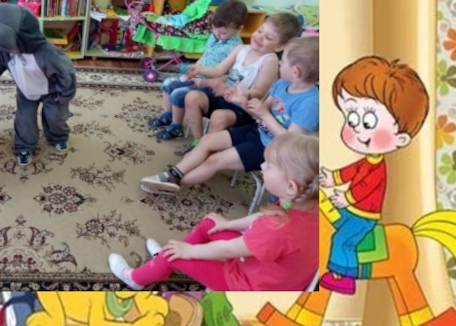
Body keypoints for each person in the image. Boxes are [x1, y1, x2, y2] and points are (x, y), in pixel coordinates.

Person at [109, 133, 319, 291]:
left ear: (291, 186)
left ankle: (135, 278)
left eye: (270, 166)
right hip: (268, 270)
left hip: (248, 285)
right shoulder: (305, 204)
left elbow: (228, 250)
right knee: (211, 224)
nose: (262, 166)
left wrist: (189, 252)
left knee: (172, 254)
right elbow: (262, 217)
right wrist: (227, 225)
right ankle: (163, 261)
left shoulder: (277, 230)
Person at [140, 36, 319, 194]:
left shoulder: (310, 103)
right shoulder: (282, 84)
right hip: (256, 131)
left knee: (214, 160)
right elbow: (259, 113)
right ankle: (172, 175)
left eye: (283, 62)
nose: (280, 64)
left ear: (296, 71)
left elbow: (291, 142)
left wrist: (265, 115)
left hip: (273, 149)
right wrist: (242, 101)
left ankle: (172, 184)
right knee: (207, 141)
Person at [319, 56, 428, 295]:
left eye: (368, 122)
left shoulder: (378, 168)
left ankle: (344, 277)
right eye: (351, 118)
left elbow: (365, 187)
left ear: (401, 139)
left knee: (341, 240)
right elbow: (351, 172)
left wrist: (346, 198)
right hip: (352, 210)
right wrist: (332, 178)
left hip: (364, 215)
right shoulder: (367, 160)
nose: (357, 128)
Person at [0, 3, 77, 166]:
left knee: (56, 118)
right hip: (26, 91)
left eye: (7, 45)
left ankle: (58, 137)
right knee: (24, 120)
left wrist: (64, 95)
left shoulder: (47, 54)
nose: (5, 50)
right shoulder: (5, 53)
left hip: (52, 92)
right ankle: (24, 146)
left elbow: (66, 73)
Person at [157, 12, 302, 143]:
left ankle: (208, 145)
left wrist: (231, 91)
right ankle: (199, 141)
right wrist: (199, 68)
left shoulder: (270, 60)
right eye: (260, 31)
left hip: (242, 107)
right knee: (192, 96)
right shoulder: (240, 49)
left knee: (219, 116)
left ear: (279, 47)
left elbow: (259, 93)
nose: (259, 37)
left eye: (268, 37)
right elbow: (218, 70)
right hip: (222, 97)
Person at [148, 0, 248, 137]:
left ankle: (176, 127)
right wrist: (195, 68)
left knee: (178, 94)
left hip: (210, 86)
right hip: (197, 77)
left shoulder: (237, 48)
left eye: (223, 33)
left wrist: (207, 81)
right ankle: (168, 116)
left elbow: (230, 76)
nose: (217, 34)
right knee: (168, 84)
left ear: (239, 29)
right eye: (214, 29)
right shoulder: (214, 36)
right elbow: (205, 56)